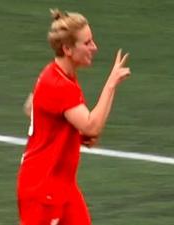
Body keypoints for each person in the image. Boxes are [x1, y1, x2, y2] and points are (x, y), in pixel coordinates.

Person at [17, 9, 131, 225]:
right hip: (43, 188)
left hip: (63, 185)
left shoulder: (57, 74)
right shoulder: (59, 84)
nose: (94, 47)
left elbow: (32, 107)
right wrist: (111, 83)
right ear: (68, 49)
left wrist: (74, 135)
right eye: (87, 43)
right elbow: (92, 126)